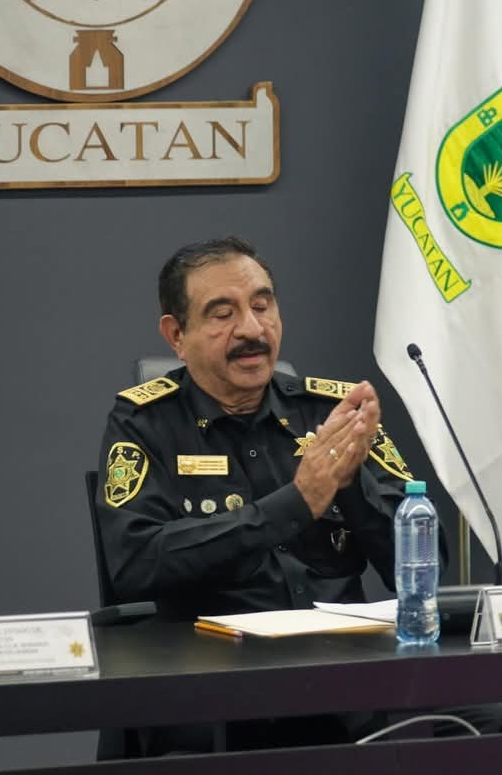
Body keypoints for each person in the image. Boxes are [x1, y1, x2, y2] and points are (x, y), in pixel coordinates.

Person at [96, 237, 411, 620]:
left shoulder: (332, 416)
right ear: (177, 335)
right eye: (222, 314)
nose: (252, 328)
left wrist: (352, 484)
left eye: (262, 307)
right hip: (213, 649)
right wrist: (294, 504)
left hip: (342, 644)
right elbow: (134, 565)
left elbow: (425, 561)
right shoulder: (145, 422)